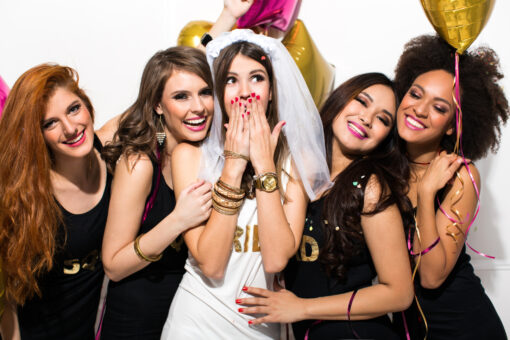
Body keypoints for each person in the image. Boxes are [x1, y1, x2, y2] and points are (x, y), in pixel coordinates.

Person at [161, 29, 331, 339]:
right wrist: (234, 164)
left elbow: (278, 257)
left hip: (260, 325)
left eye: (257, 78)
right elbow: (211, 265)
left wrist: (265, 163)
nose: (244, 92)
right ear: (216, 90)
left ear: (272, 89)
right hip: (196, 319)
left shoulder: (297, 159)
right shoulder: (189, 155)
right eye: (230, 80)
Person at [238, 73, 415, 339]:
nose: (367, 118)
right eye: (362, 102)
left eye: (382, 119)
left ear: (386, 137)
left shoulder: (371, 187)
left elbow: (399, 293)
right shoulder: (299, 168)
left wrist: (303, 308)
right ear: (340, 99)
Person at [393, 35, 508, 339]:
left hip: (464, 327)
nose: (419, 109)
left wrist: (427, 193)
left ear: (452, 125)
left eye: (439, 107)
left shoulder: (459, 175)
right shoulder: (384, 165)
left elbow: (431, 276)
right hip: (406, 328)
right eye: (416, 94)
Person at [99, 46, 214, 339]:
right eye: (181, 96)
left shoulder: (213, 158)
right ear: (158, 105)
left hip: (193, 319)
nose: (198, 107)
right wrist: (177, 220)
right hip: (136, 321)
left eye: (205, 92)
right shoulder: (140, 163)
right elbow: (113, 265)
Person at [0, 64, 116, 339]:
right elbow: (9, 302)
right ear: (35, 134)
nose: (70, 128)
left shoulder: (106, 146)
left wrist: (225, 20)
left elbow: (163, 85)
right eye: (50, 123)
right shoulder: (25, 199)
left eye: (74, 109)